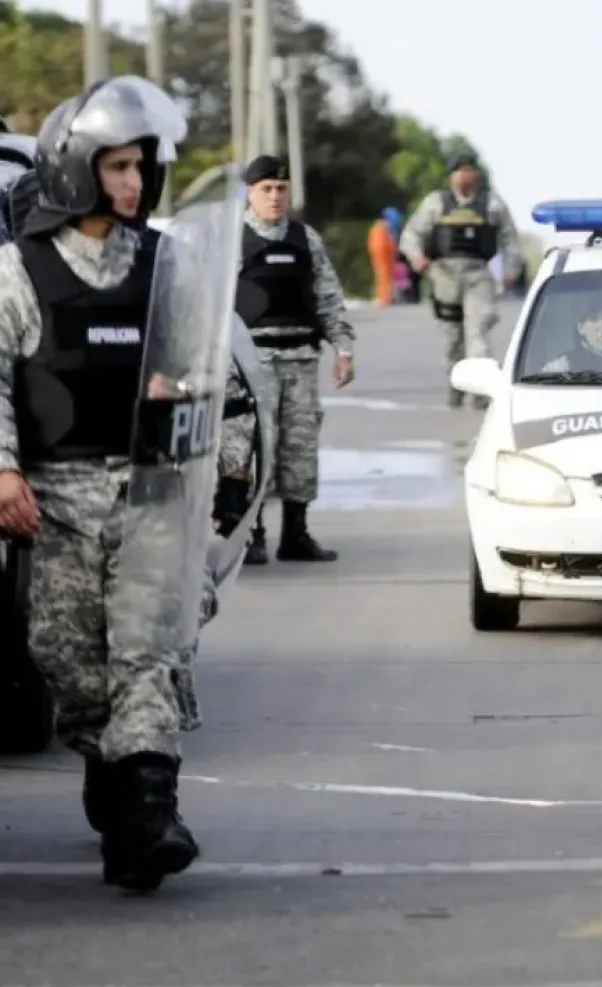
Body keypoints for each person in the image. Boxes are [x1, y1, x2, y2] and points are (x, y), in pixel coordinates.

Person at [0, 76, 219, 890]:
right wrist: (3, 469)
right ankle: (117, 780)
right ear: (78, 168)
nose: (133, 182)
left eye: (140, 166)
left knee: (149, 653)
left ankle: (153, 809)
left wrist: (189, 407)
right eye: (118, 166)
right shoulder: (18, 272)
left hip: (152, 494)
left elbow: (208, 374)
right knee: (74, 668)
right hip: (54, 504)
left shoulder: (172, 264)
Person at [235, 154, 355, 565]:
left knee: (300, 449)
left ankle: (296, 534)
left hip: (301, 359)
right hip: (252, 363)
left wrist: (343, 349)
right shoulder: (233, 240)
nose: (275, 197)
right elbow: (209, 305)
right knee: (254, 450)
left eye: (281, 189)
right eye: (266, 189)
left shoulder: (305, 239)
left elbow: (328, 297)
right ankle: (251, 535)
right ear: (249, 192)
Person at [398, 152, 521, 409]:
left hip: (478, 274)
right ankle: (456, 384)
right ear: (451, 175)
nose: (465, 174)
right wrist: (417, 258)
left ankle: (480, 392)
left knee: (478, 331)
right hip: (445, 275)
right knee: (451, 337)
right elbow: (412, 234)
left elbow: (510, 238)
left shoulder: (492, 204)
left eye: (469, 169)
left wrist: (511, 269)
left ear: (476, 174)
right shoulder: (436, 203)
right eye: (460, 170)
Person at [366, 207, 399, 305]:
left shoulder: (376, 226)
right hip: (384, 253)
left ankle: (382, 296)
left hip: (378, 253)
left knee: (381, 275)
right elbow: (390, 242)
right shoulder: (385, 226)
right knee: (384, 275)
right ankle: (385, 297)